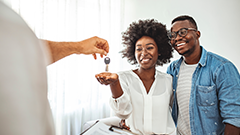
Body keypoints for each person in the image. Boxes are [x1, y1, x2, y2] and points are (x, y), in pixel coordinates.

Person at [0, 1, 109, 135]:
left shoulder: (10, 24)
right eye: (139, 48)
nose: (143, 53)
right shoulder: (8, 24)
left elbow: (31, 51)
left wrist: (79, 47)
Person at [95, 19, 176, 135]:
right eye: (139, 49)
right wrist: (114, 83)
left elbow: (176, 112)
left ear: (159, 51)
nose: (143, 53)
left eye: (149, 47)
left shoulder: (169, 80)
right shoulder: (123, 78)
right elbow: (122, 112)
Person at [167, 15, 240, 135]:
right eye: (173, 35)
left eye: (183, 32)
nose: (177, 38)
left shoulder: (222, 68)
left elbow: (234, 119)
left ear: (197, 34)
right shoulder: (172, 69)